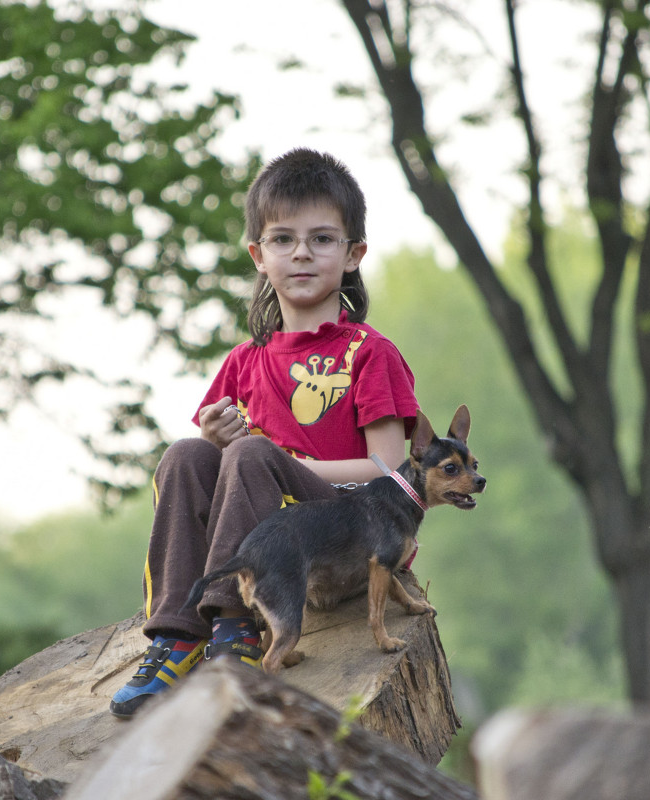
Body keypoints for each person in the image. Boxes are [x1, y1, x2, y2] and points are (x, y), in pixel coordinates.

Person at [110, 148, 419, 717]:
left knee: (251, 454)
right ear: (258, 254)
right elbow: (216, 472)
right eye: (283, 239)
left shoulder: (370, 354)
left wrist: (276, 459)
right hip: (265, 544)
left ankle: (235, 631)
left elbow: (389, 472)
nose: (301, 252)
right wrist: (213, 438)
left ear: (354, 254)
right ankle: (178, 634)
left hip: (340, 542)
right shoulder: (244, 361)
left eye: (322, 239)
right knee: (184, 456)